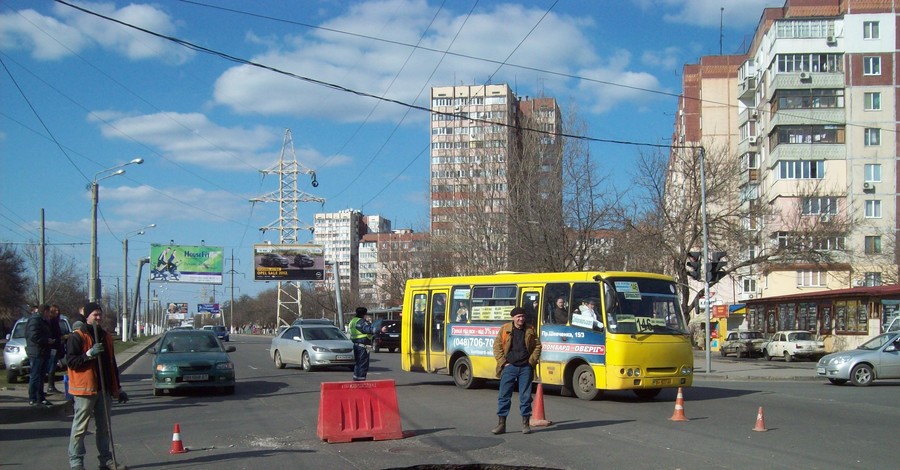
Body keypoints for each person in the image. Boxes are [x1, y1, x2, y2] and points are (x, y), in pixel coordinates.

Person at [67, 302, 129, 470]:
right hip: (85, 389)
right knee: (80, 428)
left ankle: (106, 460)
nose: (98, 317)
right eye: (95, 314)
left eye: (100, 314)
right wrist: (88, 354)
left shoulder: (106, 336)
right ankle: (76, 462)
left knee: (104, 428)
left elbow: (111, 364)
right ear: (87, 316)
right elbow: (71, 362)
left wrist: (118, 389)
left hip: (104, 389)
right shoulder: (77, 336)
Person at [491, 306, 542, 435]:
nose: (521, 319)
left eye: (523, 316)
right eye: (518, 316)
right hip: (509, 367)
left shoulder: (530, 329)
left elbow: (537, 345)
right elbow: (497, 347)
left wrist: (531, 362)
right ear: (513, 318)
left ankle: (525, 424)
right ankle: (501, 424)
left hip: (525, 368)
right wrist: (503, 362)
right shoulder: (505, 329)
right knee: (504, 396)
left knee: (525, 397)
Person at [25, 304, 56, 406]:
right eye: (49, 312)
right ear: (45, 311)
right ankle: (32, 397)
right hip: (36, 352)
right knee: (35, 375)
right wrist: (46, 340)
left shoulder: (42, 321)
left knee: (41, 376)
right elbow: (34, 336)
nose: (49, 314)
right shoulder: (35, 320)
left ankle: (40, 397)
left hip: (43, 351)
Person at [348, 307, 386, 381]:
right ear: (364, 314)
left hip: (356, 344)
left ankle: (356, 380)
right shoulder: (361, 321)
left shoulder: (353, 321)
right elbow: (367, 329)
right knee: (363, 364)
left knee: (358, 364)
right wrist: (380, 329)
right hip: (363, 346)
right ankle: (361, 381)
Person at [46, 304, 64, 394]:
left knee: (53, 366)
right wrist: (59, 338)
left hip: (56, 346)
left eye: (58, 310)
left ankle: (51, 385)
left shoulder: (56, 321)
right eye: (55, 311)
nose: (57, 312)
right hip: (53, 347)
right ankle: (50, 386)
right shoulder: (51, 321)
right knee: (51, 367)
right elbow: (52, 334)